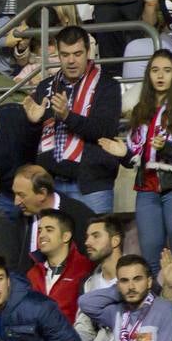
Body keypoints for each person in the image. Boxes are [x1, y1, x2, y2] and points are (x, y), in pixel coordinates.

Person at [100, 49, 172, 275]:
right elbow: (135, 158)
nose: (160, 76)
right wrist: (122, 153)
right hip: (146, 190)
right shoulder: (140, 111)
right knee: (151, 258)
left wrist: (167, 148)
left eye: (166, 70)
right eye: (155, 70)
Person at [23, 26, 122, 215]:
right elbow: (32, 143)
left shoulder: (107, 86)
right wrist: (32, 123)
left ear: (88, 52)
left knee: (95, 243)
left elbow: (105, 130)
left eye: (77, 54)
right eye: (65, 54)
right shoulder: (46, 87)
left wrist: (68, 117)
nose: (71, 61)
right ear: (58, 55)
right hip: (52, 183)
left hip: (92, 185)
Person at [25, 209, 94, 323]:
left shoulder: (84, 268)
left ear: (65, 236)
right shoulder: (32, 274)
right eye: (40, 230)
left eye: (49, 230)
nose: (41, 235)